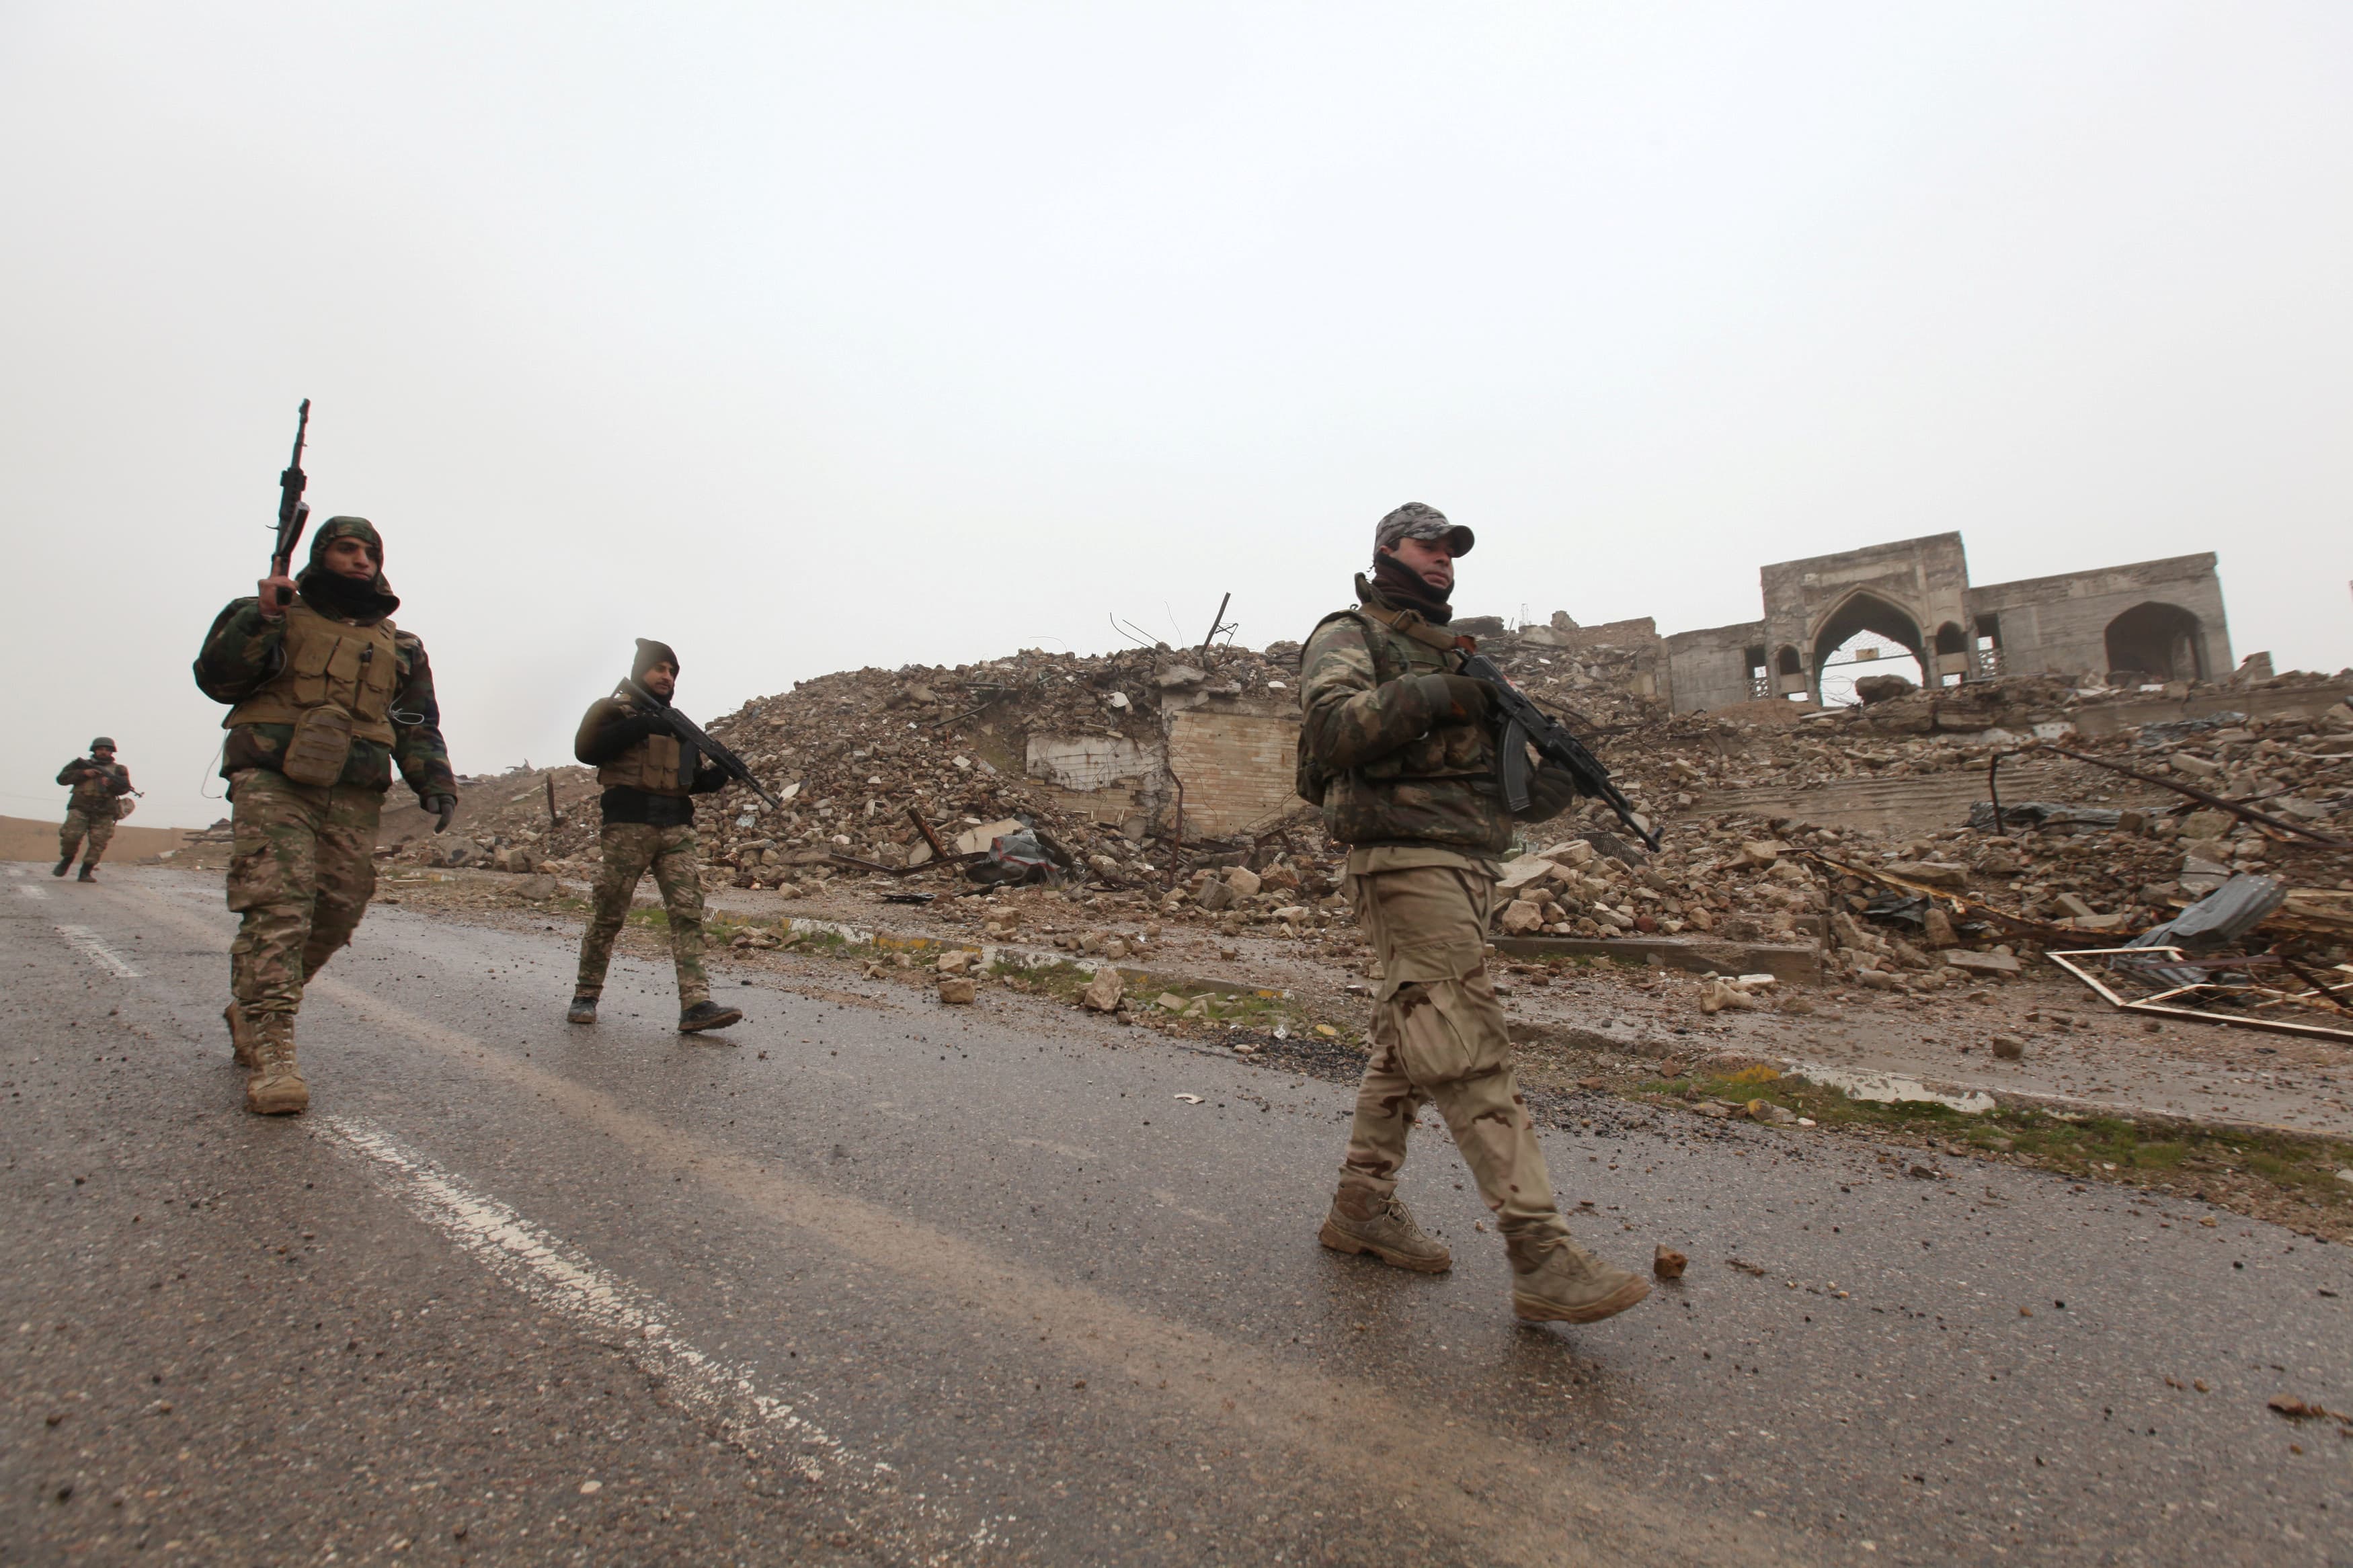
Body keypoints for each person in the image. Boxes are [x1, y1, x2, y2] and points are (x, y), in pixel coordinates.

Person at [1297, 502, 1650, 1325]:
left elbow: (1514, 797)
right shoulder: (1350, 634)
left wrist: (1546, 760)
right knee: (1461, 1035)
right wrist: (1438, 693)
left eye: (1453, 550)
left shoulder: (1464, 661)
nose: (1444, 559)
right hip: (1403, 858)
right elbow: (1330, 727)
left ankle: (1360, 1205)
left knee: (1407, 1037)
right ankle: (1539, 1250)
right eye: (1428, 545)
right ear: (1387, 550)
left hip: (1467, 863)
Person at [194, 517, 458, 1116]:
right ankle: (273, 1045)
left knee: (339, 906)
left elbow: (416, 722)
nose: (361, 560)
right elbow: (217, 678)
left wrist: (434, 781)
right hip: (273, 774)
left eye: (370, 551)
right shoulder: (271, 612)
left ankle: (253, 1004)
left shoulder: (403, 645)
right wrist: (261, 615)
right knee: (280, 900)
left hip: (355, 784)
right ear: (320, 554)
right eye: (347, 549)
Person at [566, 639, 744, 1034]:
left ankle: (696, 1004)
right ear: (640, 671)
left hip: (677, 829)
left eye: (672, 672)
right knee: (609, 914)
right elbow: (587, 750)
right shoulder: (612, 710)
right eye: (659, 669)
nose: (667, 677)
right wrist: (644, 723)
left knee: (687, 914)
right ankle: (586, 995)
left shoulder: (678, 725)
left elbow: (688, 781)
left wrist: (713, 780)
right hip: (628, 827)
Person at [54, 738, 134, 880]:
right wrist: (83, 774)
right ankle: (67, 859)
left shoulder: (119, 770)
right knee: (70, 837)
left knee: (99, 843)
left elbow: (124, 788)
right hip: (80, 806)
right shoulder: (79, 765)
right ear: (94, 750)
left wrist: (111, 784)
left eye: (107, 750)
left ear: (111, 752)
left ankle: (86, 871)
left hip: (104, 810)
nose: (103, 752)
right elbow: (61, 779)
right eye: (100, 749)